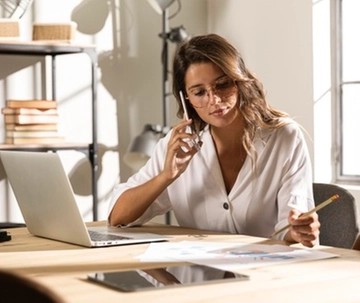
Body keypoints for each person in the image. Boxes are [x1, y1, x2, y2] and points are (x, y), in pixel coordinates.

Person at [108, 33, 320, 248]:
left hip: (265, 273)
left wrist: (298, 230)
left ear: (239, 81)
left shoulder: (284, 138)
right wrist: (166, 176)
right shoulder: (178, 145)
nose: (214, 100)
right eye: (199, 92)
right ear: (187, 99)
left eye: (223, 84)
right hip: (197, 275)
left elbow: (291, 225)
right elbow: (118, 217)